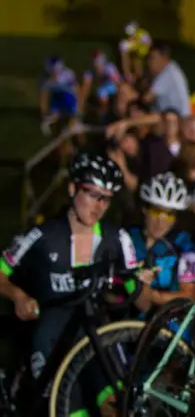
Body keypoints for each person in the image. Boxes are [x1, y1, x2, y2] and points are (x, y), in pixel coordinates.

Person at [0, 152, 138, 416]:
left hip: (99, 332)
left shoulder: (117, 239)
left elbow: (134, 292)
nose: (98, 206)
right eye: (92, 194)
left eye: (106, 199)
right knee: (68, 408)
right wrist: (17, 295)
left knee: (117, 405)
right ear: (72, 188)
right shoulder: (42, 235)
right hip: (52, 334)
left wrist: (131, 287)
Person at [127, 173, 195, 310]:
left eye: (169, 214)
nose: (161, 221)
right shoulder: (127, 238)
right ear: (145, 209)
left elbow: (189, 295)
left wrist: (151, 294)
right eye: (156, 211)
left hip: (168, 322)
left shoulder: (185, 244)